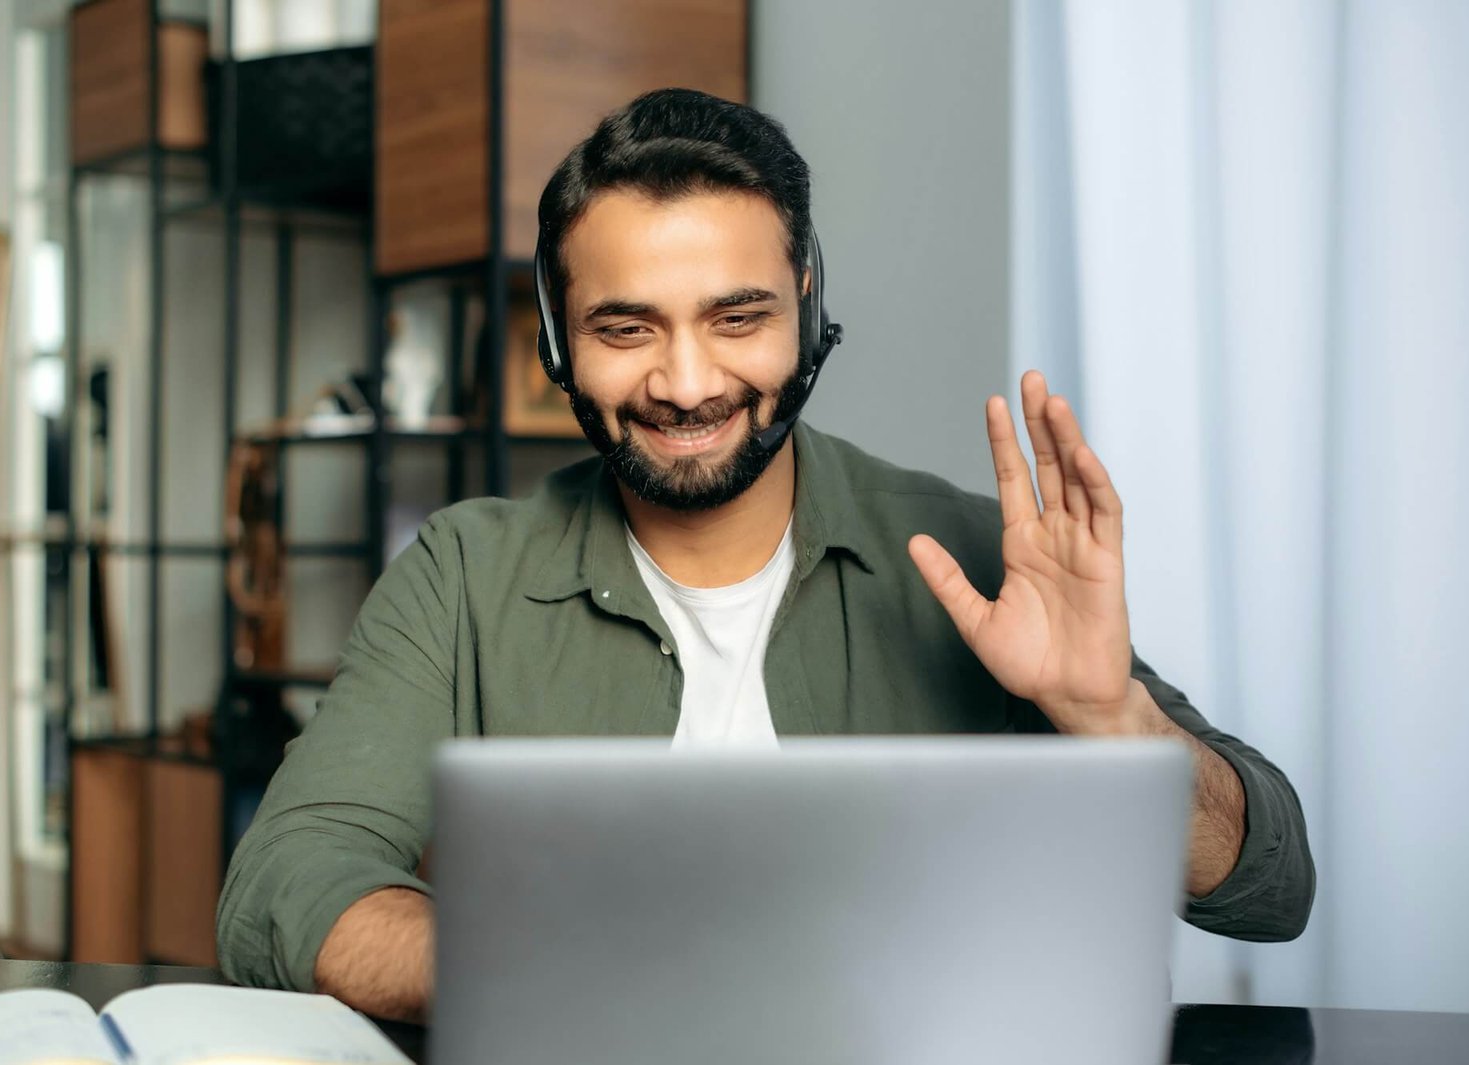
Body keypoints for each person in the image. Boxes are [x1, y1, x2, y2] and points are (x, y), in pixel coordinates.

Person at [216, 88, 1314, 1023]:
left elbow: (1268, 888)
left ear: (807, 311)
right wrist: (560, 970)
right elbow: (283, 886)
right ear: (557, 345)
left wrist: (1109, 720)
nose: (686, 385)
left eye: (737, 318)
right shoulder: (462, 574)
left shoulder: (975, 557)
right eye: (625, 328)